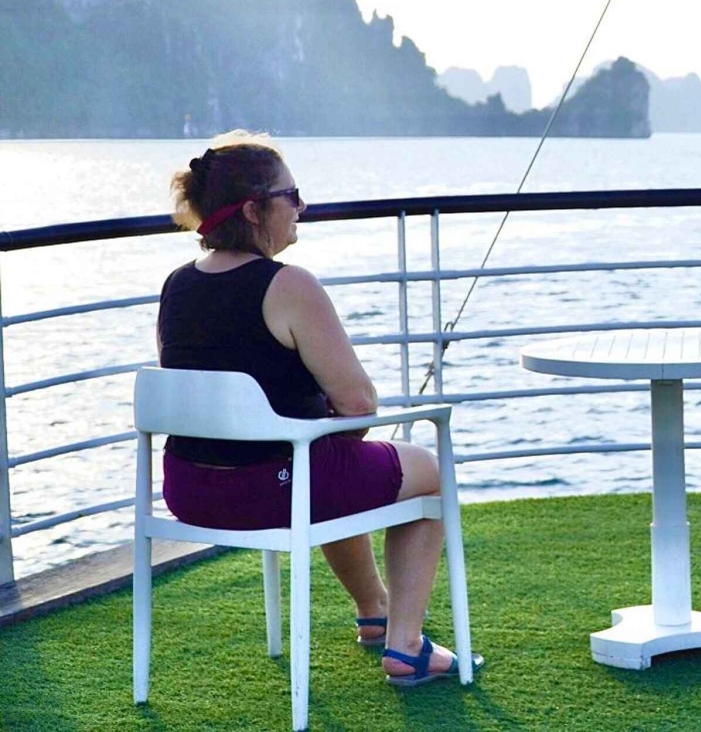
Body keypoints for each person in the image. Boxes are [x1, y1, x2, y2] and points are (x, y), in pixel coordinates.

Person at [157, 132, 481, 686]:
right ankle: (406, 647)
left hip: (190, 491)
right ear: (254, 210)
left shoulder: (178, 285)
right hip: (273, 488)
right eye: (292, 195)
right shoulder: (289, 285)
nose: (302, 206)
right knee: (426, 471)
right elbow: (359, 402)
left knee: (328, 466)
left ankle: (375, 611)